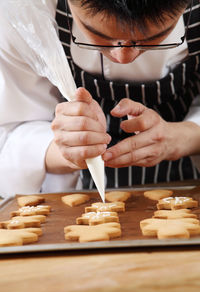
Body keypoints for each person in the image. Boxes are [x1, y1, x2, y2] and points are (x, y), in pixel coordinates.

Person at [0, 0, 200, 198]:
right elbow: (8, 134)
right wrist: (65, 149)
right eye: (98, 34)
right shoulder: (23, 13)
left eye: (154, 37)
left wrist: (184, 136)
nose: (123, 58)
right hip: (73, 194)